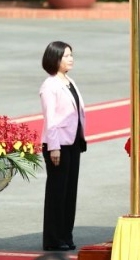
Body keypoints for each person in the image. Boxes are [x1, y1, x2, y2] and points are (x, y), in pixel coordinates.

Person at [40, 41, 87, 252]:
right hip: (58, 145)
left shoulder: (69, 81)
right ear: (55, 59)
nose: (71, 58)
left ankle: (65, 234)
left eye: (71, 55)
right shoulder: (50, 85)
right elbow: (50, 119)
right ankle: (53, 238)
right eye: (66, 55)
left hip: (73, 143)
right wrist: (54, 147)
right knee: (57, 193)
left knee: (69, 192)